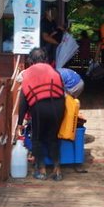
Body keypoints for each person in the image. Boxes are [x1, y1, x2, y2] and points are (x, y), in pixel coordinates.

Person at [17, 48, 67, 181]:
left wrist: (19, 123)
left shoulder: (27, 73)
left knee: (37, 139)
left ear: (30, 60)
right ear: (45, 59)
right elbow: (62, 92)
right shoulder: (54, 71)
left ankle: (42, 171)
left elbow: (23, 101)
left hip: (39, 107)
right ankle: (57, 171)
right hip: (58, 106)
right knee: (53, 138)